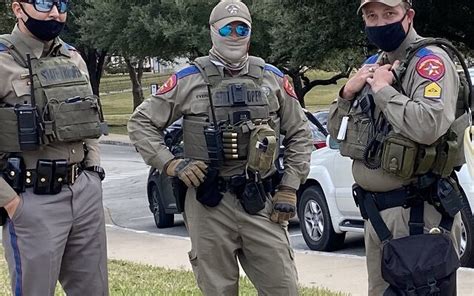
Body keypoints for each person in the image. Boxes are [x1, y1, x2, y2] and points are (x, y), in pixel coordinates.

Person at [128, 0, 313, 295]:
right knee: (217, 289)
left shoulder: (273, 79)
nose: (234, 34)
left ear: (250, 33)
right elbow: (140, 122)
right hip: (208, 201)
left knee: (284, 287)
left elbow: (300, 133)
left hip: (261, 198)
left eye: (242, 27)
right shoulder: (188, 80)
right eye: (227, 27)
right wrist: (171, 163)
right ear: (213, 31)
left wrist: (290, 187)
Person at [328, 0, 467, 294]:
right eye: (371, 16)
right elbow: (336, 133)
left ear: (408, 16)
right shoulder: (373, 65)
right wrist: (346, 92)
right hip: (377, 215)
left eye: (389, 14)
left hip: (417, 211)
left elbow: (428, 126)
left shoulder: (430, 62)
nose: (380, 23)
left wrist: (382, 90)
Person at [0, 0, 108, 295]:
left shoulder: (73, 57)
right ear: (18, 9)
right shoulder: (2, 59)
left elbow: (90, 119)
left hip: (84, 195)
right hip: (32, 200)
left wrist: (93, 172)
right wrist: (11, 202)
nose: (54, 12)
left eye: (61, 3)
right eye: (45, 2)